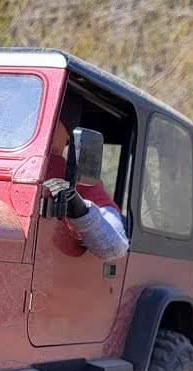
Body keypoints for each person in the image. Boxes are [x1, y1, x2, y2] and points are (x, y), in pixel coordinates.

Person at [41, 98, 129, 261]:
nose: (40, 124)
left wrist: (78, 206)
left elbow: (115, 246)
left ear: (70, 134)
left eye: (53, 118)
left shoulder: (80, 181)